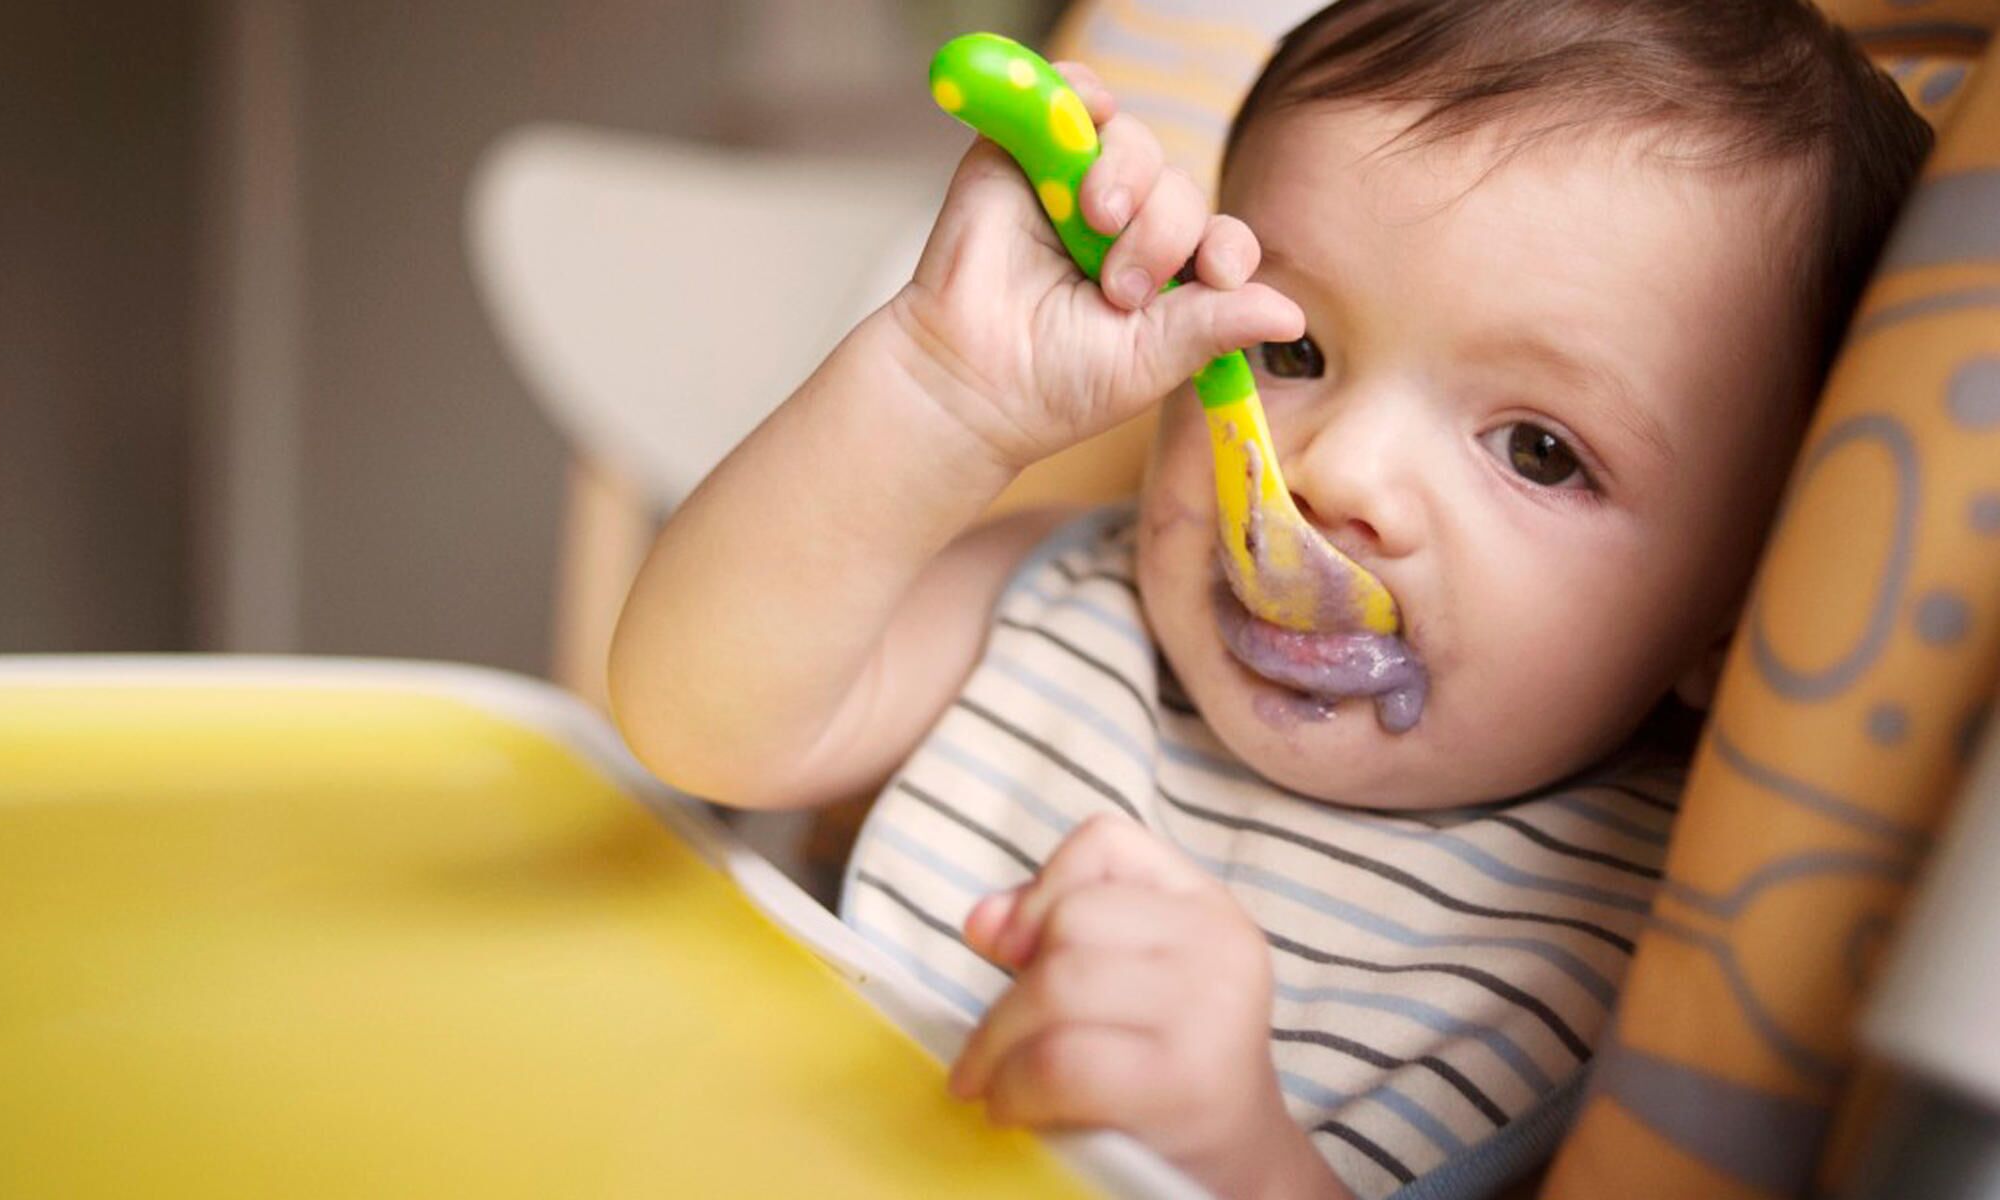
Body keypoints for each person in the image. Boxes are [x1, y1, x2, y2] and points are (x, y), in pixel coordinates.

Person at [607, 2, 1931, 1196]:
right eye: (1292, 346)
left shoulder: (1682, 941)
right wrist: (940, 391)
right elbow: (699, 722)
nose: (1340, 472)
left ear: (1731, 608)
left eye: (1538, 449)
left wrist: (1238, 1158)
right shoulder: (1073, 597)